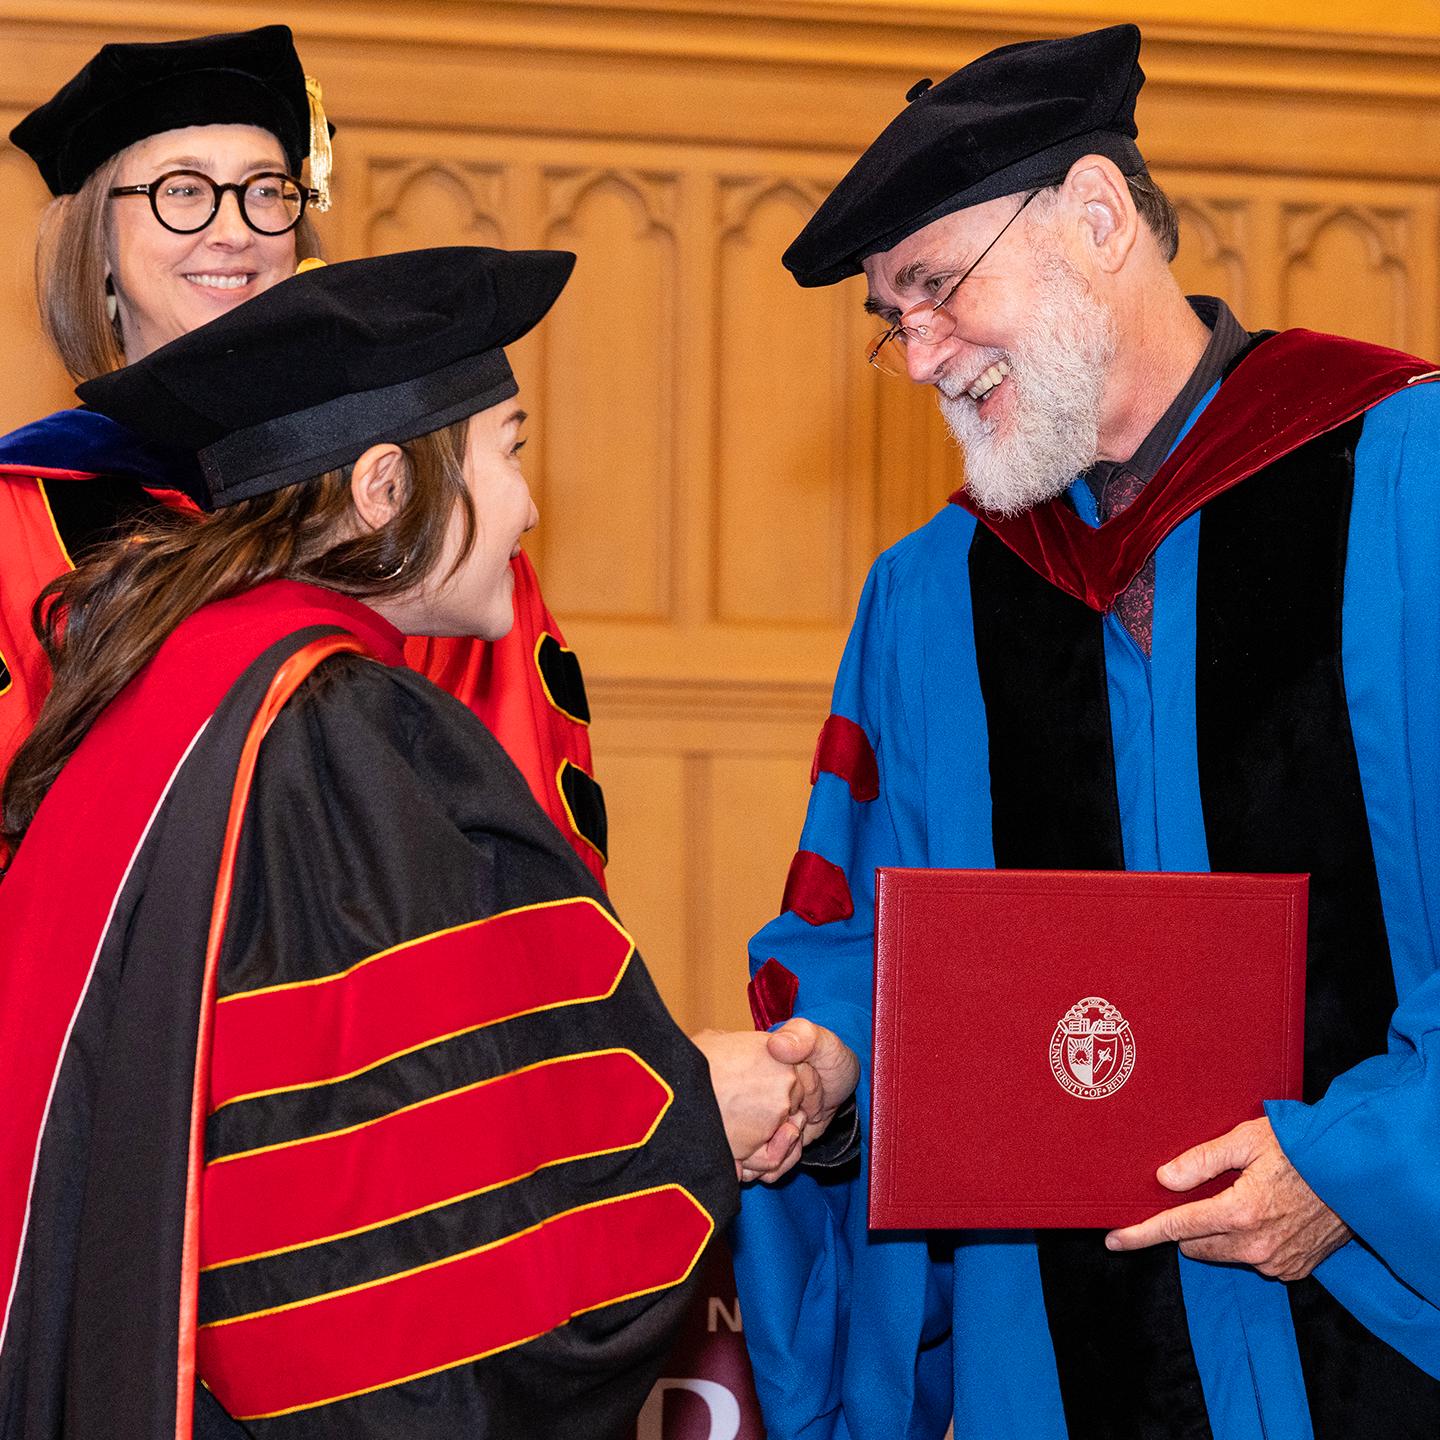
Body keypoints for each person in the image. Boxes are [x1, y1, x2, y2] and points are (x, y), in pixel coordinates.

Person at [730, 23, 1440, 1440]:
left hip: (1376, 1315)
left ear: (1099, 218)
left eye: (935, 291)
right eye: (893, 321)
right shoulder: (936, 595)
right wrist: (841, 1070)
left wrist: (1362, 1169)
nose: (919, 355)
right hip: (1047, 1362)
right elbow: (878, 933)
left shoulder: (1407, 477)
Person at [0, 245, 811, 1439]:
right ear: (385, 487)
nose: (531, 508)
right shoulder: (340, 734)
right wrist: (688, 1119)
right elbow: (404, 1240)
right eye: (512, 451)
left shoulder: (170, 683)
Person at [0, 26, 603, 883]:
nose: (234, 231)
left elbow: (520, 823)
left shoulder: (420, 515)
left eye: (267, 192)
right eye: (182, 191)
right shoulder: (20, 515)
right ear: (95, 244)